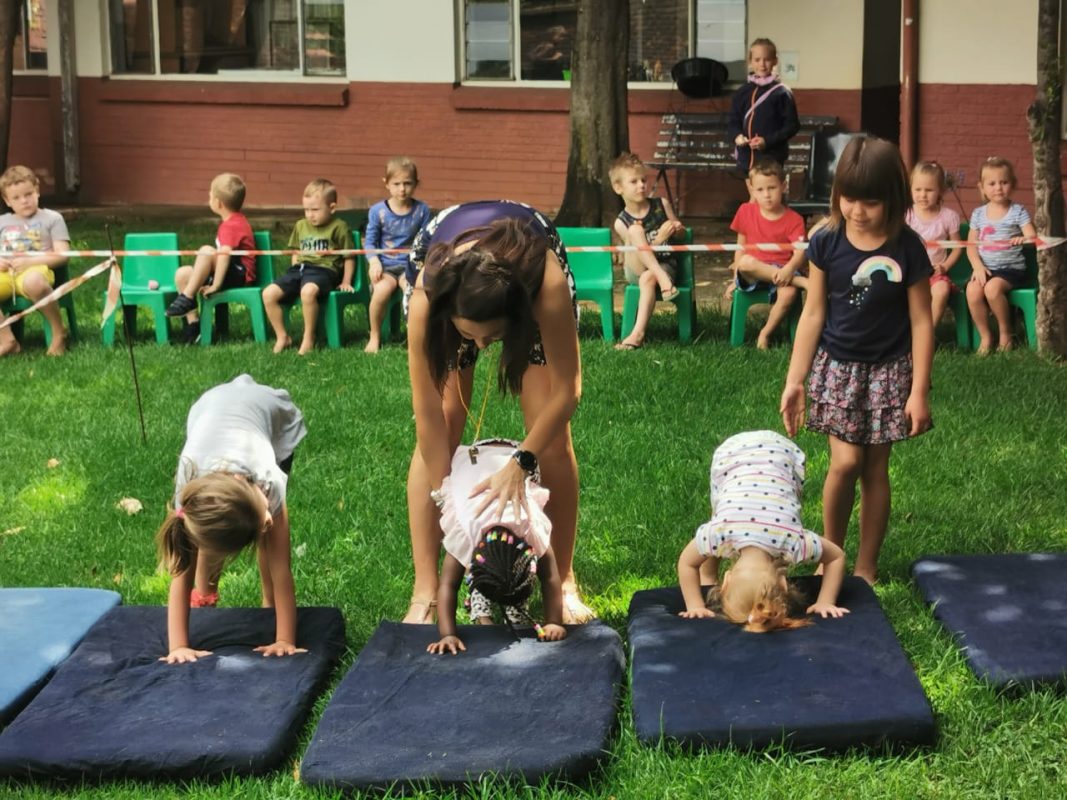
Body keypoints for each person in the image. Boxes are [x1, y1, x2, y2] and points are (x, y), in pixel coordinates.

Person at [403, 200, 593, 626]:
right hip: (448, 264)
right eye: (472, 336)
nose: (483, 347)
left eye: (493, 337)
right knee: (448, 419)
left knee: (553, 442)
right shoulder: (427, 300)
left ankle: (564, 581)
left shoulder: (546, 285)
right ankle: (425, 590)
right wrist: (446, 497)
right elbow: (427, 410)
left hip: (526, 270)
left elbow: (568, 391)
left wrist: (521, 461)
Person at [780, 136, 934, 585]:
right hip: (838, 370)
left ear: (894, 199)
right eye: (849, 198)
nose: (858, 210)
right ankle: (833, 556)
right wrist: (795, 380)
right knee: (844, 463)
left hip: (890, 371)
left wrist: (919, 391)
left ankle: (866, 566)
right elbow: (813, 314)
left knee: (874, 469)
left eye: (870, 201)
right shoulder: (826, 242)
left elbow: (922, 322)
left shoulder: (908, 248)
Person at [155, 374, 308, 664]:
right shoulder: (189, 497)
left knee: (272, 543)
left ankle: (269, 602)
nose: (268, 520)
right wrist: (178, 646)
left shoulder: (269, 479)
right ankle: (207, 593)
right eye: (265, 516)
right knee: (209, 534)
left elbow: (282, 568)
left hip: (265, 410)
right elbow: (180, 574)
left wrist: (285, 639)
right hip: (208, 412)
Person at [676, 430, 849, 631]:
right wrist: (694, 605)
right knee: (717, 517)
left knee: (717, 519)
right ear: (726, 581)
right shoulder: (719, 532)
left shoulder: (793, 541)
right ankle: (708, 575)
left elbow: (836, 557)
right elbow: (687, 563)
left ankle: (708, 572)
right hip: (735, 457)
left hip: (775, 455)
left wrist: (826, 600)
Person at [427, 439, 567, 655]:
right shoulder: (466, 532)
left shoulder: (531, 529)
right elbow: (447, 585)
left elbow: (550, 577)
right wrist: (448, 634)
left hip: (516, 456)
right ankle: (482, 595)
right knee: (491, 579)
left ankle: (514, 600)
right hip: (470, 463)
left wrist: (554, 622)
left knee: (510, 583)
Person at [263, 179, 355, 355]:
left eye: (315, 210)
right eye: (306, 209)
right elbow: (296, 252)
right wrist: (295, 270)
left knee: (308, 292)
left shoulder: (339, 227)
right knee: (268, 294)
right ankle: (282, 336)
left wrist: (345, 280)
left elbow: (349, 256)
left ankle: (309, 337)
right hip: (299, 270)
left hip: (325, 271)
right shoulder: (300, 225)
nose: (310, 215)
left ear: (332, 207)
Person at [164, 172, 257, 345]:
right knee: (183, 274)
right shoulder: (231, 221)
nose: (209, 198)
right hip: (227, 270)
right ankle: (194, 326)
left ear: (218, 203)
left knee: (207, 250)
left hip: (240, 275)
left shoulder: (231, 225)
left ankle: (187, 297)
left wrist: (216, 284)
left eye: (210, 195)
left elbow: (224, 256)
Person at [609, 152, 685, 351]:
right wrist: (659, 239)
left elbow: (681, 238)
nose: (641, 185)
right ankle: (662, 278)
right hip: (636, 267)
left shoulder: (661, 205)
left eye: (643, 180)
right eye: (633, 181)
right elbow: (636, 257)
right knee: (635, 230)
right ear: (618, 188)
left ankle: (637, 334)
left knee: (648, 278)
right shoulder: (621, 222)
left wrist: (677, 229)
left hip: (666, 265)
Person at [729, 160, 808, 348]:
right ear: (752, 190)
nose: (766, 195)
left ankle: (765, 333)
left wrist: (789, 269)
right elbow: (740, 248)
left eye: (772, 188)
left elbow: (800, 253)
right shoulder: (745, 211)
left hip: (784, 271)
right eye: (760, 190)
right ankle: (801, 282)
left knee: (789, 294)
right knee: (746, 262)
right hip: (752, 270)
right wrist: (734, 279)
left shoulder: (794, 219)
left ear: (783, 186)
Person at [965, 157, 1036, 354]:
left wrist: (1024, 238)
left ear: (1012, 185)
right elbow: (971, 245)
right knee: (972, 291)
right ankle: (986, 336)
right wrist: (978, 267)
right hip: (985, 268)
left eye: (1004, 182)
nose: (998, 188)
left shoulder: (1018, 211)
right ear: (982, 187)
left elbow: (1032, 236)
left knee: (992, 289)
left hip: (1010, 270)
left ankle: (1006, 333)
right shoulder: (978, 214)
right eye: (992, 183)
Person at [0, 165, 71, 356]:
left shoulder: (52, 218)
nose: (24, 201)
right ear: (7, 200)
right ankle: (7, 339)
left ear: (37, 191)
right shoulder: (2, 222)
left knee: (34, 282)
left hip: (35, 271)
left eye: (28, 194)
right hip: (5, 274)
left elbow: (63, 255)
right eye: (16, 197)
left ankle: (59, 332)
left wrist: (30, 262)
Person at [364, 157, 431, 353]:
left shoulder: (422, 210)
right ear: (386, 183)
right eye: (396, 184)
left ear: (416, 184)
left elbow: (427, 240)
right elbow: (369, 242)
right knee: (381, 291)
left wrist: (423, 263)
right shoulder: (378, 211)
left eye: (407, 183)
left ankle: (415, 338)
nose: (402, 189)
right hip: (385, 267)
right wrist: (374, 262)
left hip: (410, 265)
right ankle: (374, 335)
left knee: (413, 292)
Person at [727, 38, 799, 174]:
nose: (762, 64)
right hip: (746, 159)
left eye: (767, 59)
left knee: (768, 194)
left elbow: (792, 126)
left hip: (771, 159)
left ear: (775, 61)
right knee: (753, 195)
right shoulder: (742, 92)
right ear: (750, 61)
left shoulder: (782, 92)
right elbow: (733, 121)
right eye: (757, 59)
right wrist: (737, 136)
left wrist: (767, 141)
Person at [905, 161, 962, 329]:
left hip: (935, 272)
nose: (923, 195)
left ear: (941, 191)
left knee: (942, 290)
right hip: (910, 272)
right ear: (911, 189)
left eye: (929, 190)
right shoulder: (906, 214)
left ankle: (928, 332)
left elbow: (958, 247)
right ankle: (905, 333)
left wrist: (944, 267)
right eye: (918, 189)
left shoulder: (948, 216)